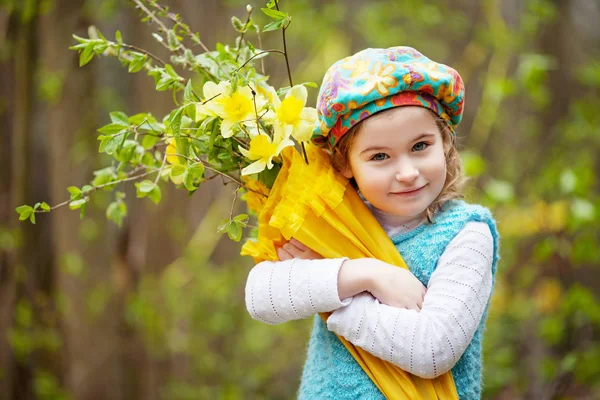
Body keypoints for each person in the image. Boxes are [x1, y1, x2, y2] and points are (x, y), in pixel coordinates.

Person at [244, 46, 500, 400]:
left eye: (421, 146)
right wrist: (369, 275)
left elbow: (432, 349)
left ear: (445, 142)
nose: (407, 172)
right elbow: (260, 295)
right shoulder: (338, 226)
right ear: (344, 164)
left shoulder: (466, 233)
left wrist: (334, 298)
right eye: (380, 156)